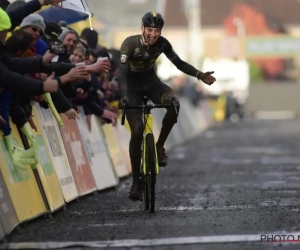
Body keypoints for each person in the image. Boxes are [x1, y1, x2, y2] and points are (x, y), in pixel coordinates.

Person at [118, 11, 216, 201]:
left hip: (152, 83)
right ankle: (136, 182)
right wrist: (123, 97)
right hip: (131, 88)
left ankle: (159, 146)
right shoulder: (130, 44)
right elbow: (122, 74)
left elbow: (178, 63)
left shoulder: (163, 43)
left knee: (173, 103)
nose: (153, 34)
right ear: (142, 29)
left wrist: (199, 74)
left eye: (157, 30)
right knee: (137, 129)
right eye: (150, 30)